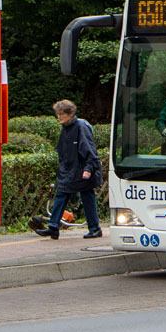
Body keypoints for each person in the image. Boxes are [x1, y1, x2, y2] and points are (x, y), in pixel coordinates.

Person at [34, 100, 102, 239]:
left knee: (86, 196)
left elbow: (88, 149)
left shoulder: (81, 127)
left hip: (82, 169)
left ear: (71, 114)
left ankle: (94, 228)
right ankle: (53, 227)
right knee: (62, 194)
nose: (59, 117)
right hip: (69, 169)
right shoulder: (66, 127)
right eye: (58, 114)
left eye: (61, 114)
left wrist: (89, 168)